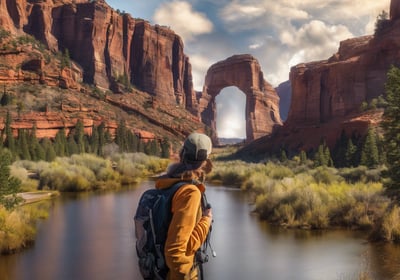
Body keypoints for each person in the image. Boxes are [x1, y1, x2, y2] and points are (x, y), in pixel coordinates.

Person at [155, 132, 213, 280]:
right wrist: (206, 221)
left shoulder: (167, 183)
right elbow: (175, 252)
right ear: (205, 161)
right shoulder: (189, 193)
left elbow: (183, 242)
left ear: (182, 154)